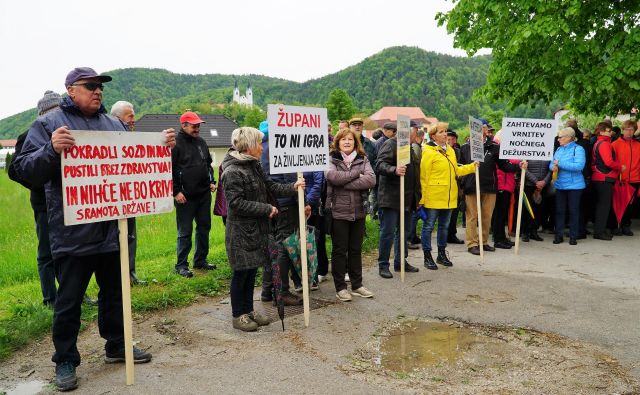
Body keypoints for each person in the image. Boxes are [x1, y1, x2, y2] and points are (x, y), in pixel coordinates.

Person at [13, 67, 175, 391]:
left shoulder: (113, 124)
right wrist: (50, 150)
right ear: (71, 90)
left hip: (111, 229)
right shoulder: (48, 124)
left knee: (115, 293)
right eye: (90, 86)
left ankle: (116, 345)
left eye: (100, 86)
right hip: (72, 232)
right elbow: (20, 169)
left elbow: (133, 162)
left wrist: (160, 147)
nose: (98, 91)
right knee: (69, 301)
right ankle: (66, 359)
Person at [221, 127, 305, 331]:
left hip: (256, 231)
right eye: (259, 143)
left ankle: (248, 310)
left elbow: (272, 187)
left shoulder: (254, 165)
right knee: (241, 274)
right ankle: (237, 316)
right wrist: (266, 208)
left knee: (251, 273)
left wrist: (293, 187)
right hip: (240, 234)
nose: (262, 147)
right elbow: (235, 203)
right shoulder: (232, 171)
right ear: (249, 147)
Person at [8, 90, 62, 306]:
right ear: (42, 113)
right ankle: (50, 298)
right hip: (44, 205)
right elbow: (15, 170)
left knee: (68, 254)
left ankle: (75, 294)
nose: (56, 114)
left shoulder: (68, 131)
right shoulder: (29, 134)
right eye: (52, 110)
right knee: (47, 253)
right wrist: (38, 184)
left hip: (67, 202)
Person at [259, 121, 311, 306]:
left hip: (270, 204)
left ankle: (267, 290)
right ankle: (281, 293)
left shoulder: (262, 146)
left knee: (272, 247)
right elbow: (291, 178)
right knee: (283, 248)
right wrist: (301, 202)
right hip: (285, 203)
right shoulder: (279, 146)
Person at [326, 129, 376, 301]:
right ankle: (340, 287)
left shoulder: (363, 158)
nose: (347, 142)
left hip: (359, 211)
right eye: (343, 139)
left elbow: (371, 179)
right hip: (338, 212)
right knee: (340, 251)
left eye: (350, 139)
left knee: (355, 250)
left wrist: (345, 182)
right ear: (338, 142)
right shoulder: (332, 158)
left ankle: (357, 285)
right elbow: (332, 176)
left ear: (356, 142)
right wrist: (356, 174)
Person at [459, 120, 523, 255]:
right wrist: (462, 184)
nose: (481, 130)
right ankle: (472, 244)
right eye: (476, 128)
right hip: (471, 186)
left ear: (485, 130)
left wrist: (518, 166)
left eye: (483, 128)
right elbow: (459, 167)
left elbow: (504, 165)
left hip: (490, 186)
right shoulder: (466, 147)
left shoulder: (494, 147)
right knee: (472, 216)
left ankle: (483, 241)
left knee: (487, 216)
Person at [419, 122, 476, 269]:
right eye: (441, 132)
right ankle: (427, 256)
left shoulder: (450, 150)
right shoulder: (428, 151)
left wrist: (472, 167)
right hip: (433, 196)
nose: (445, 134)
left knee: (444, 227)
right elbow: (423, 177)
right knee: (428, 227)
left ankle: (441, 254)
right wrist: (422, 199)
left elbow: (456, 170)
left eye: (445, 131)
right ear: (433, 136)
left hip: (449, 197)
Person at [172, 111, 217, 277]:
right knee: (184, 232)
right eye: (194, 125)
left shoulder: (202, 142)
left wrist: (212, 181)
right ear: (184, 125)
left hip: (204, 193)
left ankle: (200, 260)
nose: (197, 128)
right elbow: (168, 170)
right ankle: (181, 265)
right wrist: (175, 191)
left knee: (204, 227)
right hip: (184, 196)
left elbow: (208, 165)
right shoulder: (175, 144)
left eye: (198, 125)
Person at [375, 123, 421, 278]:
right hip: (391, 197)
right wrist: (393, 170)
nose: (416, 134)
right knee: (387, 232)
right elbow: (380, 165)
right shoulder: (390, 144)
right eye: (415, 132)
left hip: (407, 198)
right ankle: (383, 265)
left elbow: (415, 174)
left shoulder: (409, 148)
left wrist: (417, 196)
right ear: (406, 132)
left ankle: (400, 261)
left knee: (404, 232)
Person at [110, 101, 143, 285]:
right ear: (117, 117)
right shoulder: (106, 137)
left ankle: (130, 274)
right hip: (113, 200)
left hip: (131, 197)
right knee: (115, 239)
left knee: (131, 236)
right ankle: (117, 278)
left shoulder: (132, 137)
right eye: (130, 115)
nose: (134, 119)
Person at [550, 127, 586, 245]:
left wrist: (560, 164)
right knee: (559, 211)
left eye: (560, 137)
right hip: (560, 185)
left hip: (575, 186)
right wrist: (553, 167)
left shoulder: (578, 149)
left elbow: (579, 166)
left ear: (569, 137)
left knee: (573, 211)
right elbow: (551, 164)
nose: (558, 139)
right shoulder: (559, 150)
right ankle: (558, 235)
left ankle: (573, 236)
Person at [591, 122, 624, 240]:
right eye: (609, 131)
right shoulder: (604, 144)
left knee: (601, 205)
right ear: (601, 132)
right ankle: (599, 232)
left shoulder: (597, 142)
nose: (611, 133)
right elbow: (608, 162)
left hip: (598, 177)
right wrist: (620, 167)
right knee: (604, 206)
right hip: (604, 178)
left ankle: (600, 230)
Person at [611, 120, 640, 235]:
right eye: (627, 129)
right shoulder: (614, 145)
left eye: (632, 130)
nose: (629, 132)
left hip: (635, 179)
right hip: (619, 179)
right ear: (623, 130)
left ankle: (626, 225)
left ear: (634, 131)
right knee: (617, 204)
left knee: (630, 205)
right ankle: (615, 226)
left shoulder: (638, 145)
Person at [408, 122, 425, 248]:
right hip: (412, 186)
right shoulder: (415, 147)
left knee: (414, 213)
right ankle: (410, 237)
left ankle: (411, 236)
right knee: (413, 214)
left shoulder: (414, 147)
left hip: (415, 186)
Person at [445, 130, 464, 244]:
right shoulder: (441, 151)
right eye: (449, 139)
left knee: (455, 211)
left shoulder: (458, 151)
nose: (451, 141)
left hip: (457, 185)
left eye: (453, 139)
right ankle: (444, 235)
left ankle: (452, 234)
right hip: (444, 186)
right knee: (445, 213)